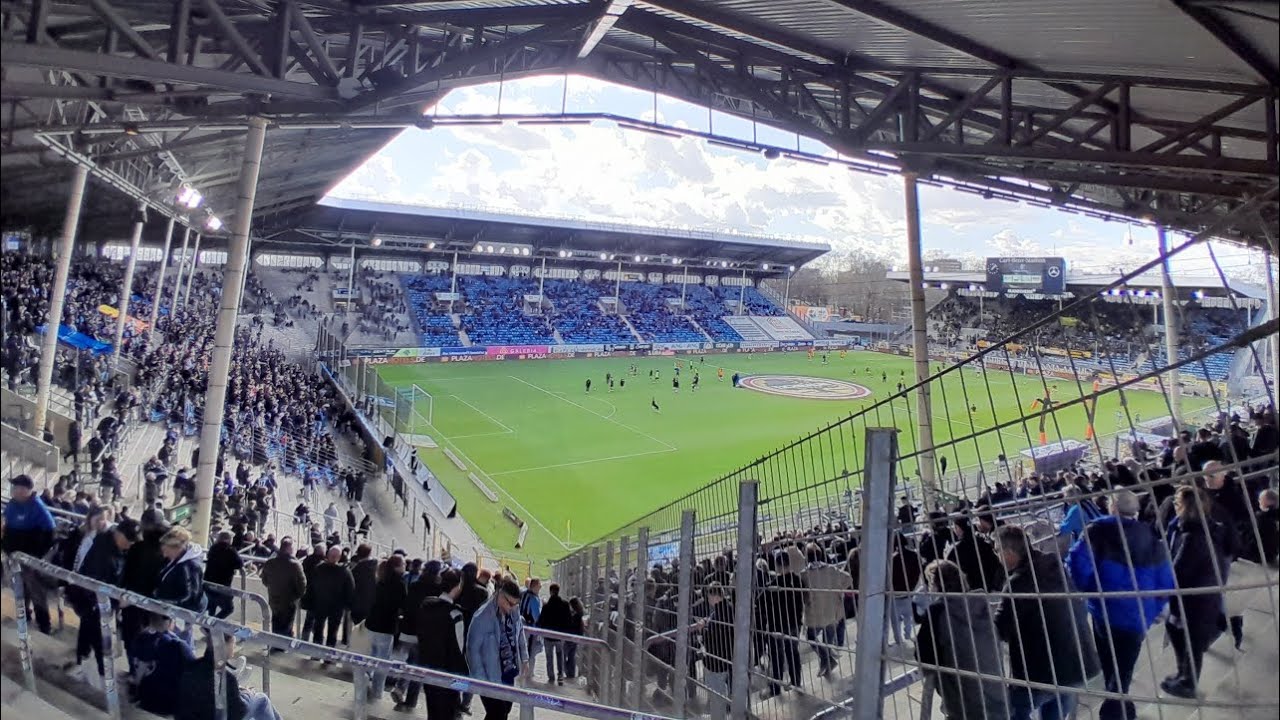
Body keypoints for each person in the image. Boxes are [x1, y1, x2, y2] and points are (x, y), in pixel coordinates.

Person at [1067, 489, 1174, 720]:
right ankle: (1121, 707)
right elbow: (1166, 582)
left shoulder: (1096, 531)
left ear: (1112, 507)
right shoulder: (1150, 537)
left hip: (1104, 613)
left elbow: (1077, 565)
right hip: (1137, 619)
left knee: (1110, 667)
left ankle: (1115, 712)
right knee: (1123, 671)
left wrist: (1090, 590)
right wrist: (1153, 610)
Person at [993, 525, 1100, 720]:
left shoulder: (1017, 583)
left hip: (1041, 672)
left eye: (997, 550)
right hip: (1075, 663)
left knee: (1011, 711)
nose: (997, 556)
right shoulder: (1054, 565)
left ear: (1009, 552)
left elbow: (999, 629)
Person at [914, 560, 1009, 720]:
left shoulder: (938, 611)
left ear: (936, 585)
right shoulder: (980, 605)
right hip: (996, 694)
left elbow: (923, 655)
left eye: (930, 583)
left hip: (963, 701)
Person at [1162, 485, 1229, 699]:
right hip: (1199, 597)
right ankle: (1183, 674)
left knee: (1189, 640)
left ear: (1186, 507)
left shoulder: (1193, 535)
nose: (1174, 505)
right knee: (1179, 633)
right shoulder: (1203, 526)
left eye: (1177, 502)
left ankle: (1188, 683)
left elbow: (1180, 570)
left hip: (1195, 600)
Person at [68, 518, 141, 687]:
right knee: (100, 637)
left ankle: (82, 662)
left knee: (87, 630)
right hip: (93, 602)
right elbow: (94, 583)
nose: (131, 544)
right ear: (119, 534)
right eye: (129, 539)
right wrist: (114, 602)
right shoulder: (103, 553)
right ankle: (103, 674)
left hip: (100, 601)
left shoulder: (115, 546)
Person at [177, 633, 282, 720]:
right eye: (233, 643)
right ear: (225, 646)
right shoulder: (227, 678)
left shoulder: (193, 666)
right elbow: (238, 713)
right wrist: (247, 694)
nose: (234, 646)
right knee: (262, 699)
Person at [2, 474, 56, 635]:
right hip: (14, 555)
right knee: (19, 586)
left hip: (30, 557)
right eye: (14, 487)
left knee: (36, 590)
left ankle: (44, 624)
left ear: (26, 490)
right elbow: (6, 525)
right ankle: (24, 615)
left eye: (17, 487)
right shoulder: (13, 504)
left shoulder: (37, 507)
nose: (14, 490)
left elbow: (50, 532)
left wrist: (37, 555)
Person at [467, 578, 527, 720]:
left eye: (516, 604)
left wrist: (524, 658)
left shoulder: (514, 610)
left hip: (508, 673)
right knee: (498, 714)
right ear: (499, 594)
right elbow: (472, 652)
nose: (512, 608)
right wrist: (482, 683)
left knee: (503, 712)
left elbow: (520, 633)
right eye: (510, 603)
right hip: (490, 678)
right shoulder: (481, 618)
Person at [415, 568, 469, 719]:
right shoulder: (455, 615)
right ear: (457, 586)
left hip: (427, 668)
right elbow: (458, 651)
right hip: (448, 676)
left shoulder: (426, 606)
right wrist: (464, 681)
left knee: (432, 712)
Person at [801, 542, 851, 677]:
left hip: (815, 613)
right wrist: (837, 591)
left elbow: (803, 595)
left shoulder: (804, 574)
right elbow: (848, 578)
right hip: (832, 611)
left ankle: (827, 662)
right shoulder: (831, 570)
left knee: (811, 637)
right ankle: (827, 663)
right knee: (827, 641)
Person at [132, 612, 197, 716]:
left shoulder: (139, 639)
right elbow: (194, 671)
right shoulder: (179, 646)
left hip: (145, 699)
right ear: (170, 622)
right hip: (169, 705)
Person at [155, 527, 207, 645]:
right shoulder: (178, 559)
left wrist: (166, 603)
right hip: (175, 609)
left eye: (167, 550)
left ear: (177, 548)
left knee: (180, 642)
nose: (164, 554)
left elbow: (191, 597)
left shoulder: (190, 566)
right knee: (180, 640)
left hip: (182, 612)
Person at [366, 554, 406, 703]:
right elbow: (402, 604)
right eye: (403, 564)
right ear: (397, 567)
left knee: (371, 657)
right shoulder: (399, 584)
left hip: (372, 624)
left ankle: (365, 679)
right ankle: (377, 692)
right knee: (382, 663)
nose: (405, 567)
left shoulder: (380, 579)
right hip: (386, 627)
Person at [698, 582, 735, 720]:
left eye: (709, 597)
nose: (708, 600)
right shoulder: (729, 608)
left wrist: (702, 630)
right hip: (728, 658)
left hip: (716, 662)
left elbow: (710, 640)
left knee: (716, 697)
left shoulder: (718, 615)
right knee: (722, 693)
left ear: (714, 597)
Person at [310, 545, 355, 655]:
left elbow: (312, 585)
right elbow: (350, 589)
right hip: (335, 606)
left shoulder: (320, 568)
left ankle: (316, 654)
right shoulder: (344, 571)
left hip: (322, 604)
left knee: (319, 630)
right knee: (331, 632)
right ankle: (328, 656)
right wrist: (347, 604)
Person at [259, 538, 307, 638]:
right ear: (290, 549)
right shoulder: (295, 565)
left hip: (274, 598)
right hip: (289, 601)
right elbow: (302, 585)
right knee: (286, 627)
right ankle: (282, 645)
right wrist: (296, 596)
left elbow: (264, 580)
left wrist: (272, 588)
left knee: (276, 623)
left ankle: (275, 643)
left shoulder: (270, 563)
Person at [537, 582, 573, 685]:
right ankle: (560, 675)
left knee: (549, 657)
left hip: (548, 635)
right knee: (560, 655)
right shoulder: (565, 605)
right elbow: (569, 620)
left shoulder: (546, 606)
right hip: (560, 635)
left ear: (550, 592)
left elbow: (541, 621)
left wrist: (541, 630)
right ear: (558, 591)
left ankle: (551, 676)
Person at [204, 530, 244, 620]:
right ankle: (212, 624)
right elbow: (239, 564)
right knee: (228, 608)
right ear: (228, 539)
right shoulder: (230, 551)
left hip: (209, 583)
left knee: (211, 607)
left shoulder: (213, 548)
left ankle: (208, 625)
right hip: (222, 586)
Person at [349, 544, 379, 628]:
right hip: (373, 605)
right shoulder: (377, 567)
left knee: (359, 630)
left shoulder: (355, 570)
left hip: (358, 607)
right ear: (370, 553)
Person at [519, 577, 543, 671]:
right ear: (535, 586)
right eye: (539, 586)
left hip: (520, 625)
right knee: (531, 651)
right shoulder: (534, 599)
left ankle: (521, 669)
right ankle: (529, 672)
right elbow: (537, 616)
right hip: (531, 628)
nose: (540, 588)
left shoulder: (523, 594)